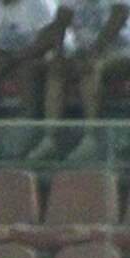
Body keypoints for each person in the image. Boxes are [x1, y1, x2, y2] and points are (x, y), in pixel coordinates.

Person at [25, 0, 130, 160]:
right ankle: (50, 138)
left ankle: (92, 138)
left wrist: (94, 51)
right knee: (56, 69)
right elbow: (60, 22)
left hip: (120, 51)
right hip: (82, 51)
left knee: (90, 69)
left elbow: (118, 18)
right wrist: (58, 53)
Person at [0, 0, 70, 120]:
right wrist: (1, 60)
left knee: (27, 70)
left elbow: (50, 38)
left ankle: (29, 127)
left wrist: (16, 58)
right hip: (4, 58)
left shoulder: (38, 4)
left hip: (36, 57)